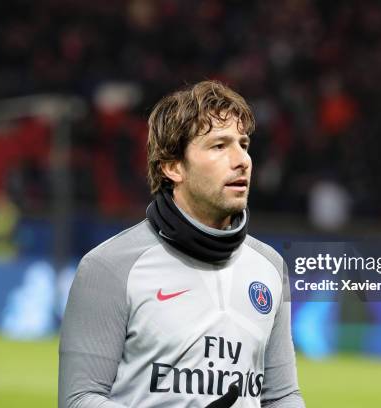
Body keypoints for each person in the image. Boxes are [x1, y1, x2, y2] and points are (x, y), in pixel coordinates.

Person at [59, 80, 304, 407]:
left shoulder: (269, 266)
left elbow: (282, 396)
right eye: (219, 146)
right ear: (173, 167)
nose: (241, 159)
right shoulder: (109, 266)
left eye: (243, 144)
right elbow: (78, 399)